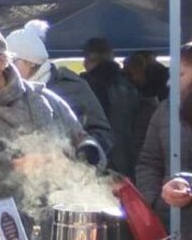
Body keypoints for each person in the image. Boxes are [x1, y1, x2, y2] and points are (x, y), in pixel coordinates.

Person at [0, 28, 104, 240]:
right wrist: (14, 165)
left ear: (2, 61)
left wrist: (84, 155)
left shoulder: (46, 99)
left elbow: (82, 140)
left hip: (62, 234)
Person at [6, 20, 115, 164]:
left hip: (74, 173)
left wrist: (78, 157)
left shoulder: (72, 86)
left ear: (31, 61)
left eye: (12, 62)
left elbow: (102, 134)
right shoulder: (7, 93)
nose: (7, 69)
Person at [137, 41, 192, 240]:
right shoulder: (164, 111)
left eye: (180, 75)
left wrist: (189, 187)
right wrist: (153, 201)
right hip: (169, 226)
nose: (170, 83)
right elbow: (149, 161)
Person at [82, 37, 141, 176]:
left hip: (96, 159)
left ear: (87, 60)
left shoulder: (83, 87)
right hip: (128, 159)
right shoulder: (130, 85)